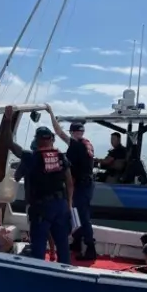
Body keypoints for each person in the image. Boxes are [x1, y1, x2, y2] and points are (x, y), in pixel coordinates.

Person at [45, 104, 96, 260]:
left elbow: (58, 132)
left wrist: (51, 113)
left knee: (82, 216)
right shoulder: (87, 144)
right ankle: (77, 241)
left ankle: (90, 248)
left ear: (73, 132)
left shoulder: (76, 144)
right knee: (78, 215)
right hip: (87, 184)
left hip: (81, 186)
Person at [25, 126, 74, 264]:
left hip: (42, 207)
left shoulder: (32, 158)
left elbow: (11, 145)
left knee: (39, 245)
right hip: (61, 205)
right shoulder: (61, 156)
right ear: (51, 139)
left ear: (37, 139)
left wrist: (8, 121)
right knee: (63, 244)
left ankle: (38, 274)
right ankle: (65, 272)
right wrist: (69, 204)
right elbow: (70, 183)